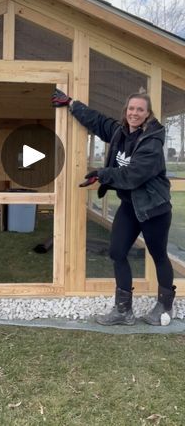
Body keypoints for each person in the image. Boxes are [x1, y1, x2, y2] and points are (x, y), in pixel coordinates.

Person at [52, 88, 176, 326]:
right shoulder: (120, 132)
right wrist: (71, 104)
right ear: (126, 111)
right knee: (117, 252)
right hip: (130, 205)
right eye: (131, 109)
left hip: (154, 209)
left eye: (140, 110)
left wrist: (102, 173)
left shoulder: (151, 142)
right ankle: (123, 310)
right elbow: (98, 121)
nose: (134, 113)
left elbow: (133, 175)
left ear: (148, 113)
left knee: (158, 255)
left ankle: (165, 306)